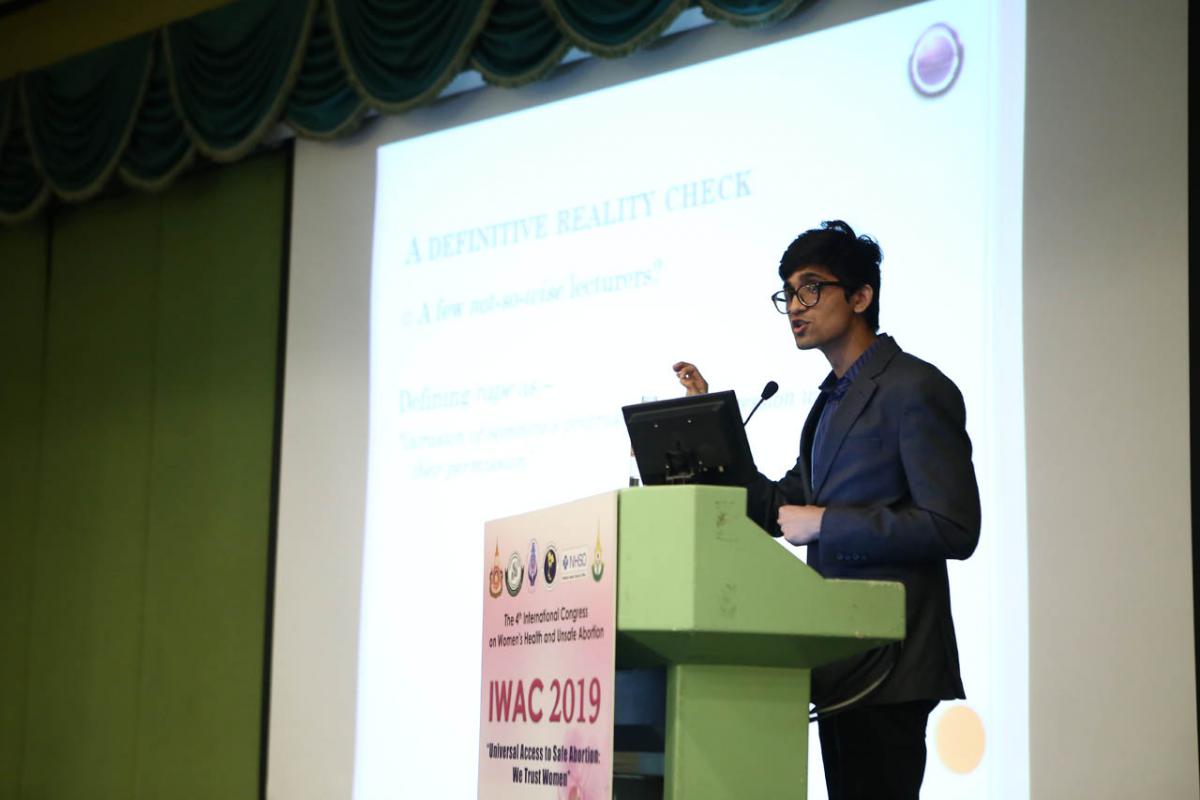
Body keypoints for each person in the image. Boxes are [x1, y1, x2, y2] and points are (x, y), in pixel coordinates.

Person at [672, 220, 980, 800]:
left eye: (811, 288)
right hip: (839, 656)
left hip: (892, 661)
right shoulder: (828, 404)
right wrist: (709, 429)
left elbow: (954, 526)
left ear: (861, 296)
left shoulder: (915, 388)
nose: (795, 305)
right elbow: (779, 507)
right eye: (788, 292)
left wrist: (827, 524)